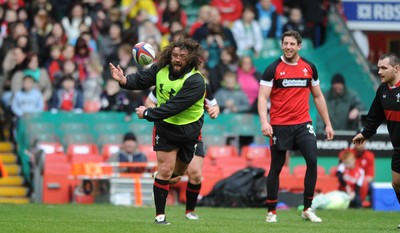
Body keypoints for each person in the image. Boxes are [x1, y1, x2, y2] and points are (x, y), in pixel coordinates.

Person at [109, 38, 206, 225]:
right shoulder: (161, 68)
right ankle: (160, 217)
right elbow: (142, 79)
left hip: (189, 132)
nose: (177, 59)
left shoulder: (196, 81)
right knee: (165, 170)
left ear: (191, 59)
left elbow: (175, 107)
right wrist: (124, 80)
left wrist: (148, 112)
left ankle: (163, 179)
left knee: (177, 174)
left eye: (182, 57)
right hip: (165, 128)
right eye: (174, 55)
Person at [257, 30, 334, 223]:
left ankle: (307, 209)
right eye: (285, 43)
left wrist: (328, 123)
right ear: (281, 45)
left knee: (312, 160)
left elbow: (317, 96)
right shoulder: (272, 68)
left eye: (292, 44)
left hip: (303, 124)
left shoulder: (309, 67)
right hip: (279, 125)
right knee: (276, 168)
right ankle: (271, 212)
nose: (288, 47)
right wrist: (264, 122)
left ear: (299, 46)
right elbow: (262, 97)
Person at [145, 82, 220, 220]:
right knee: (170, 175)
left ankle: (189, 211)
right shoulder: (166, 81)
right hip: (168, 132)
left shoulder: (202, 85)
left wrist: (215, 110)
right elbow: (150, 101)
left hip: (192, 135)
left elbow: (214, 105)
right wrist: (157, 114)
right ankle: (160, 215)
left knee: (195, 174)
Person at [352, 53, 400, 228]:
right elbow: (375, 115)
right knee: (396, 182)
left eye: (384, 68)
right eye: (378, 68)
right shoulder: (382, 90)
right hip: (398, 147)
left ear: (396, 69)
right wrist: (365, 134)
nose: (379, 71)